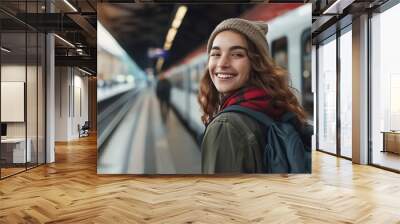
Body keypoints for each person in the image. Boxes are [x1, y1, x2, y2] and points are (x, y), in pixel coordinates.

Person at [198, 18, 308, 174]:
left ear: (256, 63)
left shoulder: (225, 126)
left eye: (237, 54)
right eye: (215, 54)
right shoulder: (274, 106)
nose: (222, 63)